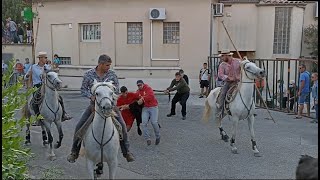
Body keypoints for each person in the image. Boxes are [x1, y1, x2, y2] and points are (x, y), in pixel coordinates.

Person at [67, 54, 135, 163]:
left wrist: (112, 102)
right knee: (79, 126)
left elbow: (116, 91)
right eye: (107, 65)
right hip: (94, 107)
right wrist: (91, 96)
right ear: (100, 64)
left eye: (109, 65)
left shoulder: (112, 74)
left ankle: (126, 152)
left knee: (122, 126)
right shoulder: (88, 75)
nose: (109, 67)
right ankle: (74, 152)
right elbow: (83, 90)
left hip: (111, 107)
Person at [25, 52, 72, 125]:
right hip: (37, 86)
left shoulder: (48, 67)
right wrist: (27, 76)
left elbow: (52, 76)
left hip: (47, 86)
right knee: (35, 100)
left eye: (46, 57)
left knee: (60, 98)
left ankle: (63, 114)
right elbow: (26, 76)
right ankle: (38, 118)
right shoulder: (33, 67)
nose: (46, 59)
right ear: (40, 58)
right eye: (45, 57)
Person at [216, 49, 241, 118]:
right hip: (228, 82)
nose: (221, 58)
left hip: (238, 81)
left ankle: (250, 109)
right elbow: (220, 75)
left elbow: (243, 68)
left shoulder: (238, 61)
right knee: (223, 93)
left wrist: (243, 64)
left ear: (227, 56)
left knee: (247, 91)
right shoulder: (222, 65)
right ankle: (220, 110)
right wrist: (228, 77)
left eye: (222, 56)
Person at [136, 80, 161, 146]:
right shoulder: (138, 92)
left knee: (154, 122)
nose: (139, 86)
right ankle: (148, 139)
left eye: (140, 85)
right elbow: (135, 98)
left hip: (153, 107)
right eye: (138, 85)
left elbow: (150, 96)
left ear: (143, 84)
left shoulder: (148, 88)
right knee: (143, 123)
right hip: (145, 108)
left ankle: (158, 136)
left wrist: (142, 99)